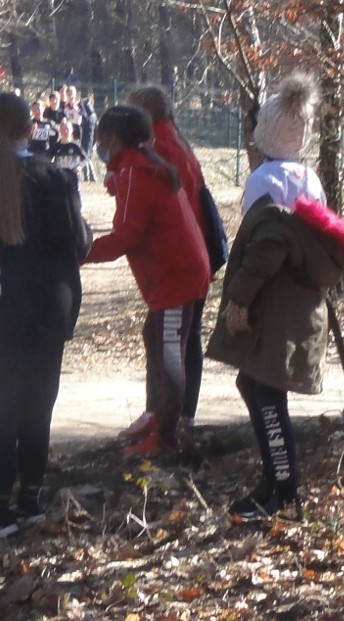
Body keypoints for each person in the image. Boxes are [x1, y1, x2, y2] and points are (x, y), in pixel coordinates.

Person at [206, 73, 344, 520]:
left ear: (264, 134)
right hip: (301, 304)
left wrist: (239, 299)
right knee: (256, 386)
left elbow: (269, 245)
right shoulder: (309, 178)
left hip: (275, 305)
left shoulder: (263, 181)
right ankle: (276, 480)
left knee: (264, 392)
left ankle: (282, 487)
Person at [0, 92, 92, 538]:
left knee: (2, 406)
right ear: (33, 128)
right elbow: (79, 246)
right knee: (39, 404)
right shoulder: (58, 180)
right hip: (51, 307)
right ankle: (31, 496)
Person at [85, 106, 210, 458]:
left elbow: (125, 236)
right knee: (154, 335)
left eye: (99, 138)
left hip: (176, 276)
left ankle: (167, 438)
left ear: (111, 138)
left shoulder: (135, 174)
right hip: (177, 272)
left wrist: (78, 253)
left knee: (170, 346)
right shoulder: (142, 167)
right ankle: (158, 417)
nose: (96, 144)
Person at [124, 84, 211, 436]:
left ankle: (169, 419)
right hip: (192, 254)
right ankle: (166, 413)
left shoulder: (159, 148)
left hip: (176, 260)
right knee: (174, 336)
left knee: (170, 338)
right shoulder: (176, 141)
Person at [49, 119, 88, 197]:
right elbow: (48, 159)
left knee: (74, 197)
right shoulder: (56, 146)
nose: (65, 131)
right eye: (63, 129)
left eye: (67, 129)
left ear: (71, 131)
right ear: (60, 131)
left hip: (72, 176)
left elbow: (85, 159)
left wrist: (79, 167)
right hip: (59, 177)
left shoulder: (75, 146)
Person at [79, 91, 98, 181]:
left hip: (87, 136)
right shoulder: (91, 112)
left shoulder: (86, 110)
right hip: (90, 136)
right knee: (86, 156)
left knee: (85, 156)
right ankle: (91, 176)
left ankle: (89, 177)